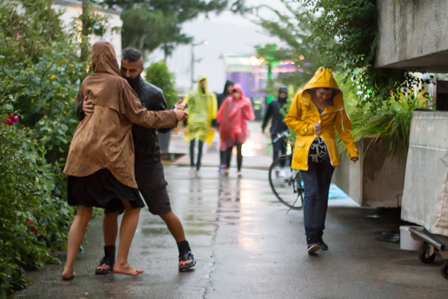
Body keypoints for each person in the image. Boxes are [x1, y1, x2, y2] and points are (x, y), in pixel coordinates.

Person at [62, 41, 188, 280]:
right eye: (124, 68)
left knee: (83, 212)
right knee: (131, 206)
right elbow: (141, 116)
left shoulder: (88, 81)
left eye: (132, 70)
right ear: (114, 61)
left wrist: (81, 105)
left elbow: (82, 110)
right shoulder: (119, 84)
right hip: (110, 158)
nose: (127, 73)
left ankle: (68, 268)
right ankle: (119, 261)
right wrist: (173, 115)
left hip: (82, 155)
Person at [285, 67, 358, 254]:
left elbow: (344, 128)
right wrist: (309, 128)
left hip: (327, 157)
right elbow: (291, 119)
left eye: (328, 93)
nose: (325, 97)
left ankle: (319, 236)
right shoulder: (302, 97)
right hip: (305, 156)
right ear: (315, 89)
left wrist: (352, 151)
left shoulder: (337, 101)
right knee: (312, 193)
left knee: (323, 194)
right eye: (322, 93)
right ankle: (311, 238)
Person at [216, 84, 255, 177]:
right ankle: (227, 167)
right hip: (229, 130)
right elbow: (223, 115)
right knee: (229, 149)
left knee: (239, 150)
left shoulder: (245, 102)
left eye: (237, 92)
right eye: (234, 92)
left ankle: (239, 170)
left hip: (240, 131)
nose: (235, 94)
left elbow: (249, 116)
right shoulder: (228, 102)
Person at [183, 74, 218, 178]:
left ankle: (198, 167)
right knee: (192, 145)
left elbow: (213, 110)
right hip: (193, 124)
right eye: (201, 81)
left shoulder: (210, 96)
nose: (202, 83)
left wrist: (213, 124)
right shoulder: (192, 95)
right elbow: (186, 108)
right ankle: (192, 166)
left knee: (200, 147)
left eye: (204, 81)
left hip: (204, 125)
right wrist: (185, 124)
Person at [261, 86, 290, 176]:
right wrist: (264, 126)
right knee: (276, 149)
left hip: (285, 130)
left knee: (284, 149)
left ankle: (282, 167)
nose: (282, 95)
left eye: (284, 93)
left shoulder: (288, 104)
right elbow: (267, 115)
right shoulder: (274, 103)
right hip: (275, 130)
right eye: (281, 93)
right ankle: (276, 166)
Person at [216, 80, 234, 172]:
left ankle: (227, 165)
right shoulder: (221, 97)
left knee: (230, 145)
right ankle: (222, 163)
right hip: (223, 124)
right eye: (229, 86)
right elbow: (218, 110)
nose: (230, 88)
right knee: (223, 144)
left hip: (232, 125)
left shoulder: (234, 97)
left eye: (232, 86)